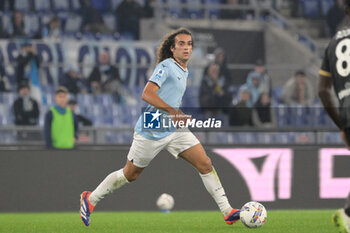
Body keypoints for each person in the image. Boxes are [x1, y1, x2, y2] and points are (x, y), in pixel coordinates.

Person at [79, 28, 241, 227]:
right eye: (181, 44)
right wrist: (172, 111)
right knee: (131, 174)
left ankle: (227, 211)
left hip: (173, 128)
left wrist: (176, 114)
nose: (186, 47)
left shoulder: (184, 69)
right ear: (172, 49)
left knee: (205, 163)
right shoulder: (166, 66)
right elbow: (147, 94)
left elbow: (169, 97)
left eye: (189, 44)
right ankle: (91, 199)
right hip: (152, 126)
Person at [318, 1, 350, 232]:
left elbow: (322, 90)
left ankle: (347, 212)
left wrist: (340, 123)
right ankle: (347, 213)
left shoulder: (334, 42)